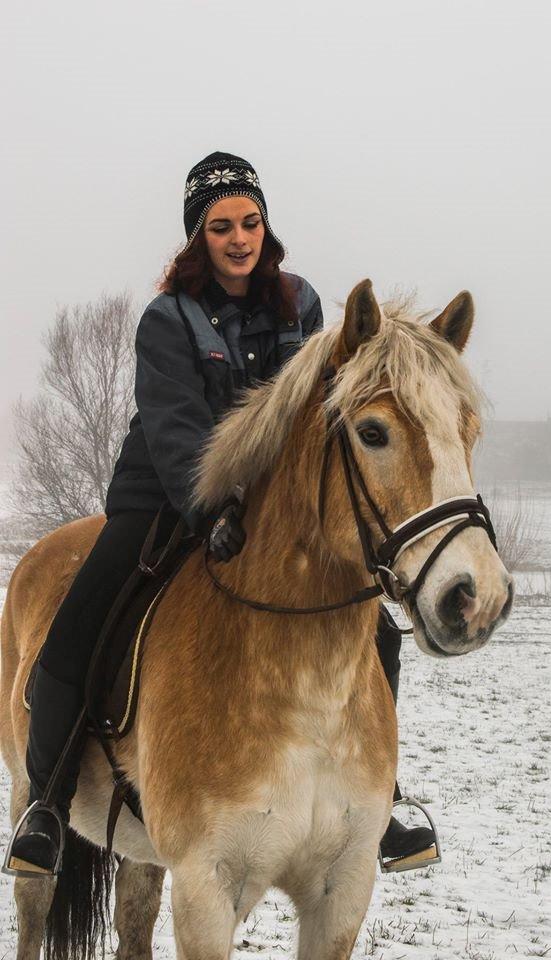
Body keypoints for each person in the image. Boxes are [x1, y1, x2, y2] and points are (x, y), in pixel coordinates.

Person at [5, 151, 436, 877]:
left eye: (251, 221)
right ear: (196, 237)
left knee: (379, 634)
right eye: (221, 226)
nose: (240, 238)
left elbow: (309, 418)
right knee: (78, 626)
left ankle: (382, 798)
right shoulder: (167, 318)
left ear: (266, 225)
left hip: (271, 508)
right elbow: (175, 430)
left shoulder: (300, 305)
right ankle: (45, 805)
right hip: (166, 496)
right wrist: (212, 510)